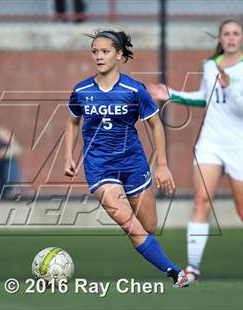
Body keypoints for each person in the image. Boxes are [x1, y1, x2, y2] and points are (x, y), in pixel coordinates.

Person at [148, 18, 243, 283]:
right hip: (210, 143)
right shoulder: (210, 66)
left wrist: (229, 86)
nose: (231, 38)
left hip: (242, 146)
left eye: (236, 34)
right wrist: (171, 93)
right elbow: (204, 98)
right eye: (226, 34)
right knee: (200, 202)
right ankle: (193, 270)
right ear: (220, 39)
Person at [63, 29, 189, 288]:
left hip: (133, 165)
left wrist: (162, 166)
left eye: (105, 51)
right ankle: (176, 272)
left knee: (149, 226)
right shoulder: (82, 90)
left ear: (119, 55)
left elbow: (155, 125)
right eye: (95, 52)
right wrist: (68, 156)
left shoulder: (134, 90)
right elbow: (73, 122)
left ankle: (160, 257)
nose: (99, 56)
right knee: (129, 225)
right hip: (99, 167)